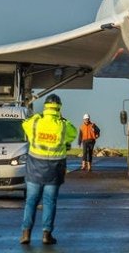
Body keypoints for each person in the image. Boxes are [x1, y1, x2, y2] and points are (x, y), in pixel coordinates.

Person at [19, 94, 77, 245]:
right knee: (49, 202)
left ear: (45, 107)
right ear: (59, 108)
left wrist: (38, 116)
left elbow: (24, 124)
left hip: (35, 168)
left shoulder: (36, 122)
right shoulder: (63, 125)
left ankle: (26, 233)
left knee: (31, 201)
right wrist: (62, 119)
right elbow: (73, 134)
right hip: (54, 169)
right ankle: (46, 234)